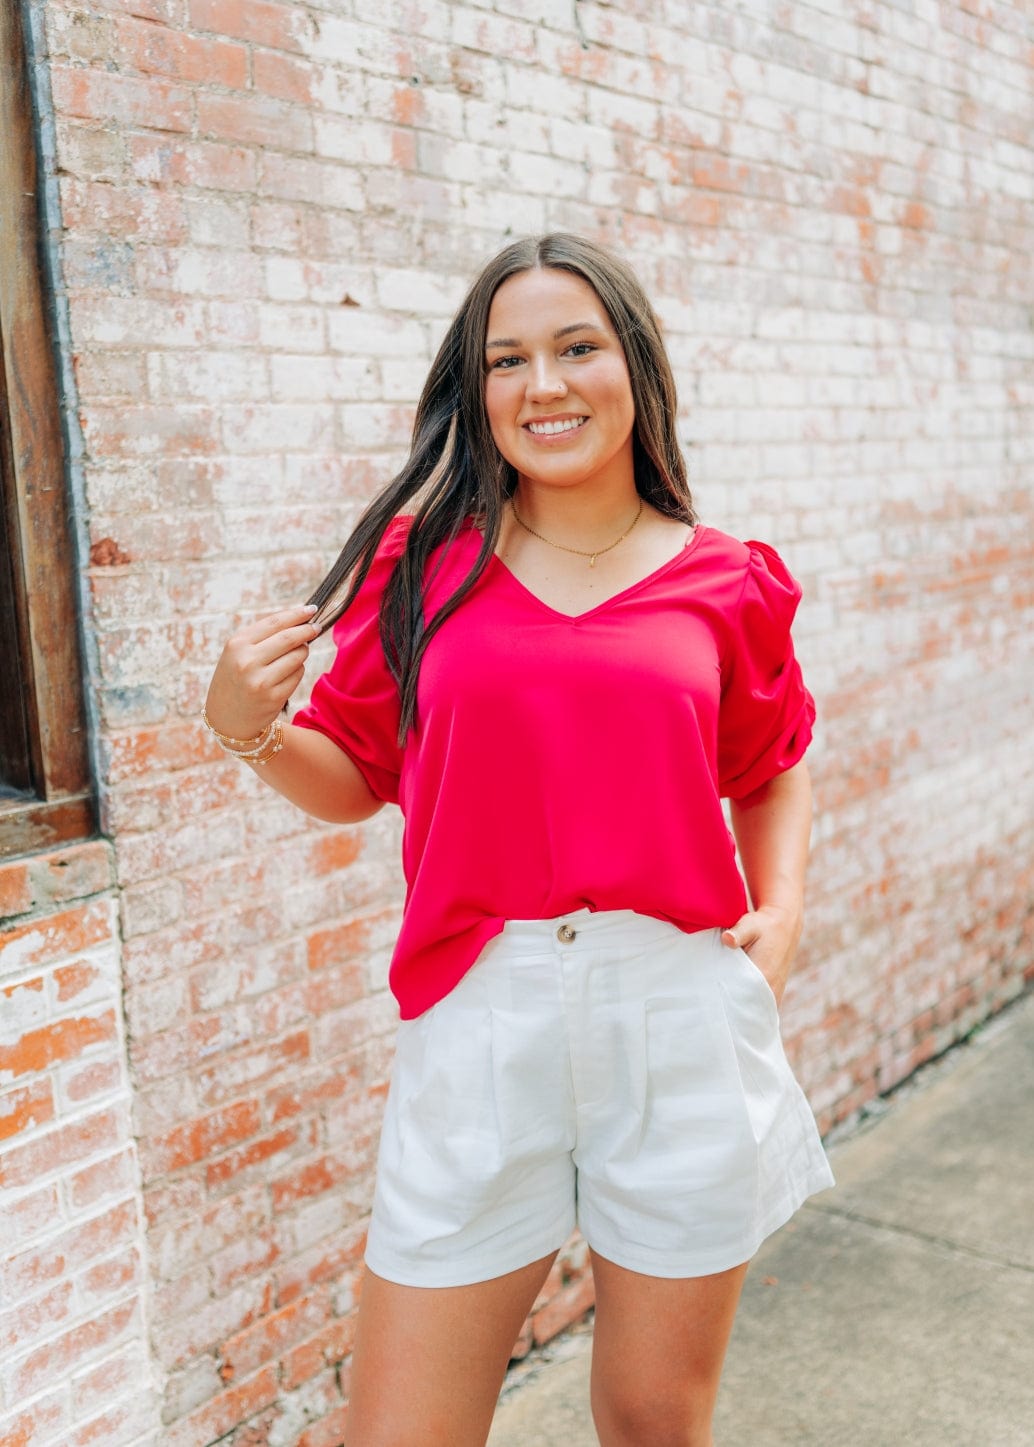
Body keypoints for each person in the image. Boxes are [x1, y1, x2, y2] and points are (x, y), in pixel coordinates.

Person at [204, 233, 834, 1447]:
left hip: (676, 1014)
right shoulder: (423, 572)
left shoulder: (724, 581)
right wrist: (248, 731)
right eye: (506, 360)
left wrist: (785, 902)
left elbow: (771, 762)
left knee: (653, 1419)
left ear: (633, 368)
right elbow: (357, 780)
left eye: (574, 347)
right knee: (401, 1433)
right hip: (480, 1015)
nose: (541, 384)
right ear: (475, 390)